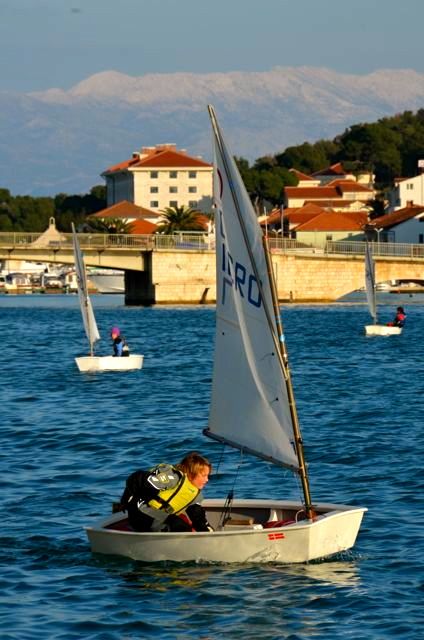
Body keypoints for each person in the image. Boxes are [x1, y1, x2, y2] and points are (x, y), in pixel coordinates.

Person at [116, 452, 213, 533]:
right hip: (141, 513)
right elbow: (138, 477)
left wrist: (209, 533)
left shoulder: (195, 494)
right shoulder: (173, 478)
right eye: (204, 475)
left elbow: (198, 518)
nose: (207, 480)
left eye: (208, 476)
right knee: (179, 525)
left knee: (182, 523)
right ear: (191, 473)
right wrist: (126, 498)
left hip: (159, 516)